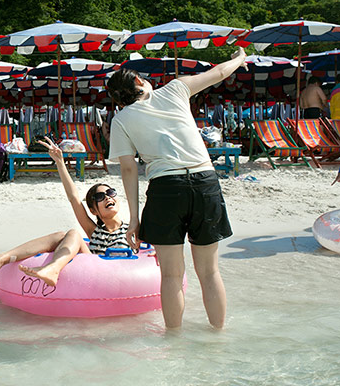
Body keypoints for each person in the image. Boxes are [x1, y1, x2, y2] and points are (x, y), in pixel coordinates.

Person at [106, 46, 247, 330]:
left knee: (171, 276)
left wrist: (133, 218)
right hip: (204, 182)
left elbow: (129, 168)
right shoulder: (174, 90)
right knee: (209, 272)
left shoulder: (121, 119)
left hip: (165, 188)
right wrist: (241, 58)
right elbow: (219, 72)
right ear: (138, 82)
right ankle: (218, 338)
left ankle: (173, 344)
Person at [0, 136, 129, 287]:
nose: (107, 198)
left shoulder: (132, 229)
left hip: (120, 278)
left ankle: (53, 269)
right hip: (94, 274)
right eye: (100, 196)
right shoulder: (94, 231)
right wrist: (60, 162)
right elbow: (73, 198)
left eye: (110, 193)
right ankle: (3, 258)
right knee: (66, 235)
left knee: (73, 234)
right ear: (93, 210)